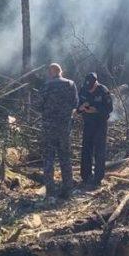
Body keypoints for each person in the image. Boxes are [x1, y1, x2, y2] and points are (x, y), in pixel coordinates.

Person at [39, 62, 78, 198]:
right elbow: (75, 104)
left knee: (49, 158)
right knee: (65, 157)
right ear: (61, 71)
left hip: (49, 127)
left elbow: (40, 105)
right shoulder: (70, 84)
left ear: (51, 72)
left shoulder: (46, 86)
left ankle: (50, 190)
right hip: (64, 127)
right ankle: (67, 189)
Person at [77, 71, 113, 188]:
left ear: (96, 83)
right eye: (88, 88)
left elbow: (109, 108)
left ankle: (98, 178)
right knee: (86, 149)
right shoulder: (83, 90)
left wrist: (96, 109)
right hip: (88, 123)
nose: (90, 90)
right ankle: (86, 176)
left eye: (91, 88)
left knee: (99, 151)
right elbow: (77, 107)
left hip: (100, 124)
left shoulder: (103, 90)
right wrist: (81, 108)